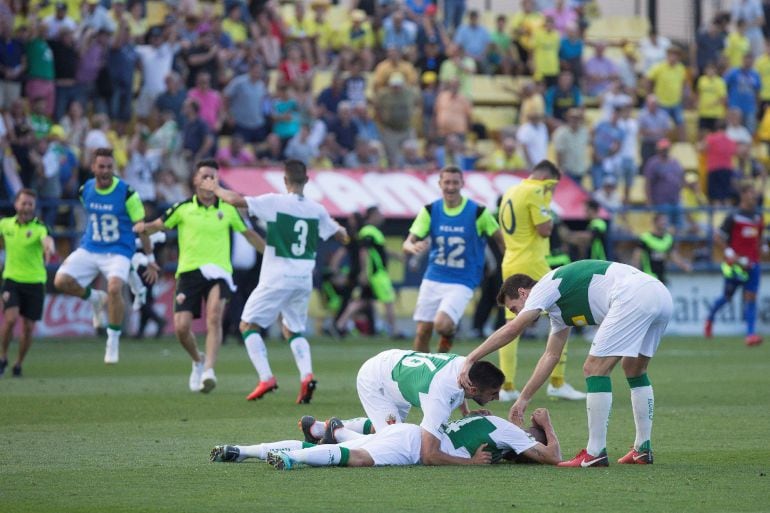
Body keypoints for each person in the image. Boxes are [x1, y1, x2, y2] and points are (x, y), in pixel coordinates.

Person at [459, 260, 672, 467]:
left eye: (514, 308)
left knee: (593, 369)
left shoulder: (545, 286)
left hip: (632, 296)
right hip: (659, 294)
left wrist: (471, 358)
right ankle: (642, 449)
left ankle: (595, 452)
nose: (516, 314)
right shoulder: (557, 310)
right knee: (634, 369)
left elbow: (513, 329)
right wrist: (523, 399)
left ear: (523, 293)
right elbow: (551, 356)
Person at [200, 159, 348, 403]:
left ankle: (266, 377)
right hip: (303, 279)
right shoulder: (317, 209)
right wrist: (340, 231)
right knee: (293, 329)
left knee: (247, 325)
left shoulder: (275, 202)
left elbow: (237, 201)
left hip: (277, 277)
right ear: (307, 180)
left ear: (285, 181)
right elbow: (341, 236)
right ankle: (306, 375)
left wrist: (215, 188)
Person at [145, 160, 264, 393]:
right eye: (205, 176)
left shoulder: (227, 209)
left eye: (213, 177)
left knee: (214, 316)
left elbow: (249, 234)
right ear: (195, 180)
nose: (209, 180)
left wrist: (271, 254)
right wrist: (141, 228)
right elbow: (158, 225)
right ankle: (197, 359)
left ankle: (209, 370)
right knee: (181, 327)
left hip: (219, 272)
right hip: (189, 272)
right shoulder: (182, 209)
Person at [299, 349, 505, 465]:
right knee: (389, 439)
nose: (497, 397)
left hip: (394, 367)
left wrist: (467, 412)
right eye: (493, 392)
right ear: (474, 389)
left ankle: (319, 428)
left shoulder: (465, 367)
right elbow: (429, 455)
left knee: (391, 427)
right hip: (376, 379)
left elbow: (458, 390)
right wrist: (471, 463)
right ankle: (339, 432)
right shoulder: (439, 398)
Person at [54, 148, 158, 364]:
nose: (105, 171)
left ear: (114, 168)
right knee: (60, 281)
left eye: (109, 167)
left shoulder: (128, 193)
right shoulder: (86, 190)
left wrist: (150, 259)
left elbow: (141, 228)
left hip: (119, 250)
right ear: (93, 167)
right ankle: (94, 298)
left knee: (113, 288)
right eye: (101, 166)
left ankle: (113, 339)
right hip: (91, 247)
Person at [496, 159, 585, 402]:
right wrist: (547, 204)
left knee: (511, 323)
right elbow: (545, 229)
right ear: (548, 180)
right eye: (553, 187)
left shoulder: (511, 190)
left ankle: (507, 385)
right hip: (532, 262)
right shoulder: (536, 191)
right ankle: (557, 382)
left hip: (511, 259)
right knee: (562, 313)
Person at [210, 409, 562, 469]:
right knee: (358, 459)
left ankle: (242, 451)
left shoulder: (495, 425)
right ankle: (293, 459)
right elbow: (552, 456)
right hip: (411, 445)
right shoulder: (508, 432)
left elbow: (540, 453)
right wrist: (547, 425)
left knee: (346, 449)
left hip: (406, 434)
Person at [402, 166, 504, 353]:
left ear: (462, 184)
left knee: (441, 325)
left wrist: (507, 263)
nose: (450, 187)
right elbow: (408, 242)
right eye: (447, 182)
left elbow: (499, 239)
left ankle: (446, 340)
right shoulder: (431, 210)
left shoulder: (478, 212)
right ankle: (422, 373)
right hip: (434, 276)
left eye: (455, 182)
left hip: (463, 279)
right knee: (423, 331)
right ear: (440, 184)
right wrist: (411, 246)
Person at [0, 190, 55, 377]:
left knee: (29, 327)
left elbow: (46, 240)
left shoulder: (39, 227)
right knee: (10, 319)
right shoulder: (5, 224)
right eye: (24, 203)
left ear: (34, 207)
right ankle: (3, 357)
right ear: (16, 204)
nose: (26, 207)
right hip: (12, 279)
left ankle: (18, 363)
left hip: (35, 281)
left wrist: (49, 247)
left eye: (30, 204)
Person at [705, 182, 764, 346]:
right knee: (727, 297)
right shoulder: (734, 216)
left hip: (753, 264)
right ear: (744, 195)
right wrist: (730, 253)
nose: (754, 196)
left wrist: (761, 250)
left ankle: (750, 335)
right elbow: (718, 237)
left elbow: (758, 240)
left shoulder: (758, 217)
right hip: (734, 265)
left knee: (751, 297)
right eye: (751, 193)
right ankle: (709, 319)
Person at [631, 213, 692, 284]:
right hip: (648, 277)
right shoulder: (646, 238)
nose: (664, 223)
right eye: (661, 221)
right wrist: (634, 274)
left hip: (662, 276)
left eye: (665, 221)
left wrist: (684, 266)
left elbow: (673, 256)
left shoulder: (668, 238)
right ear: (655, 222)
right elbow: (637, 257)